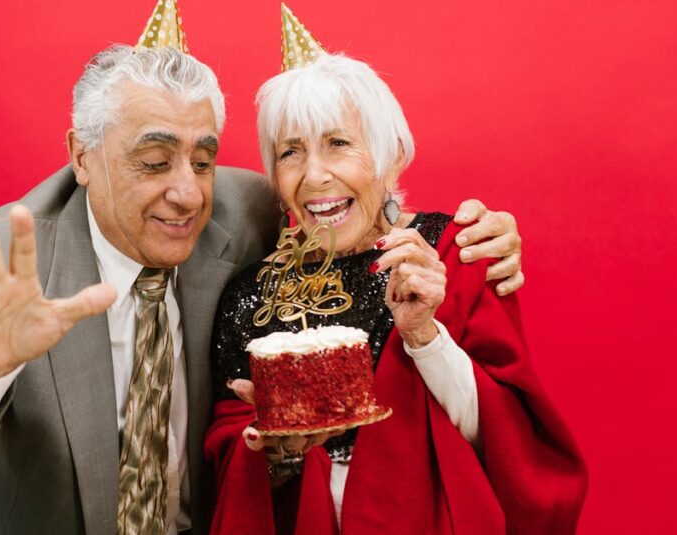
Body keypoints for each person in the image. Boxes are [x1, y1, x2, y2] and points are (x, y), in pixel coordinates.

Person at [0, 4, 527, 534]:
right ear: (83, 155)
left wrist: (480, 238)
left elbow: (350, 205)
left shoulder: (250, 216)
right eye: (154, 162)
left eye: (204, 159)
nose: (187, 193)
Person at [205, 9, 587, 535]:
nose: (315, 175)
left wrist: (424, 335)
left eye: (338, 143)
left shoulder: (457, 251)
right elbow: (226, 455)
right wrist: (277, 451)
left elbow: (506, 438)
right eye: (290, 152)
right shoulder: (249, 291)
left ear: (392, 156)